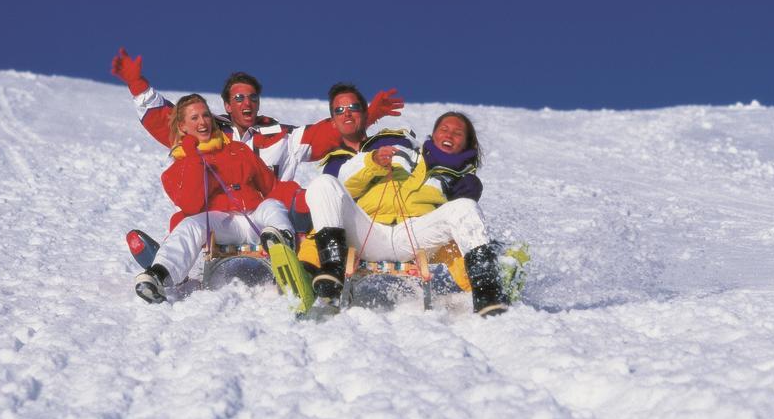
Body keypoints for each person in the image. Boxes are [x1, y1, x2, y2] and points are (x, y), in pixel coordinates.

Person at [111, 48, 403, 228]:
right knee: (184, 220)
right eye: (238, 98)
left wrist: (366, 114)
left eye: (252, 97)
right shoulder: (209, 131)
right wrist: (137, 84)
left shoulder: (280, 136)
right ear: (227, 105)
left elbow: (325, 133)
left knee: (307, 201)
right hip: (222, 211)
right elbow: (170, 121)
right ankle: (170, 268)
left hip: (269, 210)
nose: (246, 103)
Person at [303, 87, 509, 316]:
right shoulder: (404, 153)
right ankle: (332, 268)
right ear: (433, 134)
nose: (449, 135)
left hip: (413, 237)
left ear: (468, 142)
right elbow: (344, 184)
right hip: (368, 232)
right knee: (323, 184)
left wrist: (466, 192)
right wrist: (373, 162)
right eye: (444, 129)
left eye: (458, 133)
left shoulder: (462, 180)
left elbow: (462, 225)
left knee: (465, 208)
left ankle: (488, 293)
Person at [135, 93, 294, 304]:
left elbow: (271, 187)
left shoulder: (239, 150)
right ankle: (159, 274)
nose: (203, 122)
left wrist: (299, 195)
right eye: (194, 118)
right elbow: (192, 205)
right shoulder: (176, 169)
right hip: (223, 224)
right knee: (190, 224)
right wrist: (194, 159)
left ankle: (285, 252)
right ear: (182, 127)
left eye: (206, 115)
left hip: (257, 218)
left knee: (273, 205)